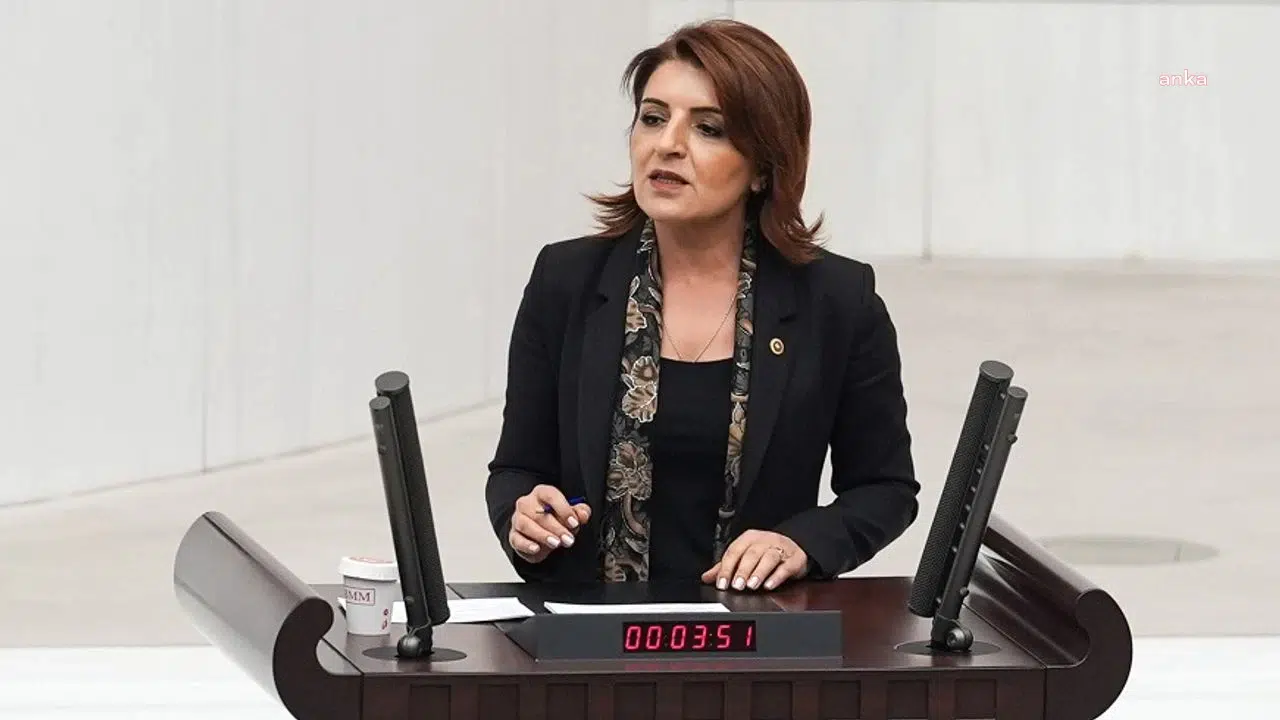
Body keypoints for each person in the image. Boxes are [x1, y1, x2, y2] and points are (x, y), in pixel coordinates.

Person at [485, 19, 919, 592]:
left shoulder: (838, 300)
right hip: (591, 628)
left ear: (763, 167)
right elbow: (516, 469)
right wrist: (524, 516)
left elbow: (885, 489)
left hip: (756, 628)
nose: (668, 144)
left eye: (708, 129)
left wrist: (800, 544)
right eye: (653, 118)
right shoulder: (565, 280)